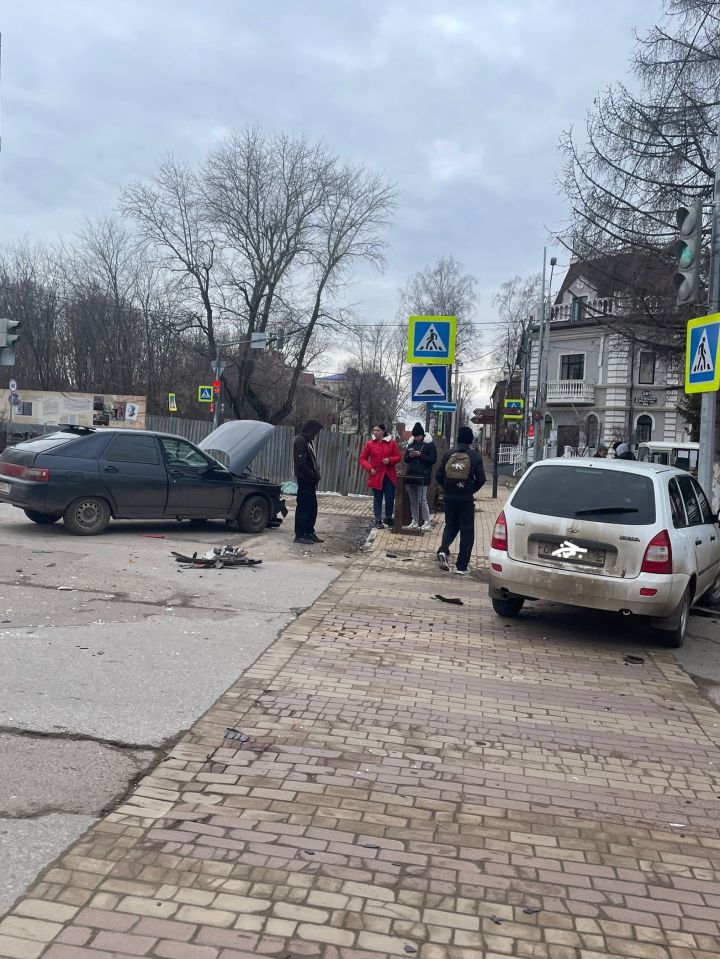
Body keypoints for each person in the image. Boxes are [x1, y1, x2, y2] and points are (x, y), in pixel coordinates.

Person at [436, 426, 486, 575]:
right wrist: (469, 490)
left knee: (450, 525)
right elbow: (481, 479)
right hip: (465, 500)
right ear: (470, 440)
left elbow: (438, 476)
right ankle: (461, 566)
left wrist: (447, 489)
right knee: (467, 531)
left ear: (458, 439)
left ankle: (443, 551)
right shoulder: (475, 456)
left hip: (449, 497)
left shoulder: (448, 454)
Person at [359, 424, 402, 529]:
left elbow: (398, 457)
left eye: (377, 430)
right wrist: (370, 468)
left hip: (389, 475)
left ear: (383, 431)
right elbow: (362, 458)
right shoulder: (370, 444)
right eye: (374, 430)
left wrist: (389, 460)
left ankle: (388, 517)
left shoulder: (391, 443)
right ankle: (378, 520)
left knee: (390, 498)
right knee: (377, 499)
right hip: (376, 474)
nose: (375, 432)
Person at [293, 419, 324, 545]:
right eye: (315, 432)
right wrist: (312, 474)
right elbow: (301, 463)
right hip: (304, 479)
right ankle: (300, 534)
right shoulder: (300, 441)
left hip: (310, 480)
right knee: (304, 506)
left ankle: (309, 531)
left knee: (312, 507)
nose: (315, 435)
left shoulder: (308, 441)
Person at [403, 422, 437, 530]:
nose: (417, 438)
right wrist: (411, 455)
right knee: (413, 500)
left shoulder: (430, 445)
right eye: (415, 436)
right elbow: (405, 459)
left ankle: (426, 521)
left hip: (423, 476)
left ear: (422, 435)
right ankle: (415, 520)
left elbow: (432, 459)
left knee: (422, 500)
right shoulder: (411, 444)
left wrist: (420, 455)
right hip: (411, 475)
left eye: (418, 436)